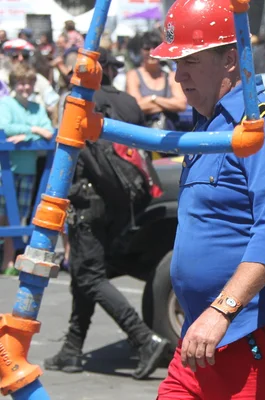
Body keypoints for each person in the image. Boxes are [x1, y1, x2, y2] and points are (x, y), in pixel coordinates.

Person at [150, 0, 265, 398]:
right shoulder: (209, 128)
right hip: (204, 336)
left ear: (231, 59)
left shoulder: (264, 127)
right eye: (176, 64)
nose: (178, 77)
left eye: (190, 62)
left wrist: (221, 309)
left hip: (255, 333)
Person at [44, 47, 168, 379]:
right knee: (88, 272)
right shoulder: (128, 102)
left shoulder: (77, 102)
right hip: (121, 204)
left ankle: (143, 338)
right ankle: (72, 348)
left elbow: (70, 153)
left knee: (89, 275)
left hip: (87, 201)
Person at [0, 64, 54, 274]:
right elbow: (5, 127)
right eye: (21, 83)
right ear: (14, 85)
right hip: (6, 168)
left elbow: (48, 131)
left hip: (28, 167)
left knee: (19, 215)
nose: (25, 87)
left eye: (29, 83)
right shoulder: (6, 104)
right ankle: (5, 259)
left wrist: (27, 136)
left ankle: (10, 261)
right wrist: (33, 130)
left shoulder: (37, 108)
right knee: (3, 214)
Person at [126, 31, 187, 130]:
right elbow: (136, 107)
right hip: (142, 136)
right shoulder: (133, 75)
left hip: (168, 136)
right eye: (147, 48)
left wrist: (153, 98)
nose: (151, 52)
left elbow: (181, 105)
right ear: (141, 51)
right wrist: (168, 106)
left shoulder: (171, 76)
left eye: (155, 47)